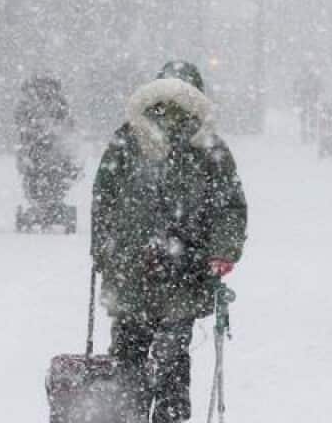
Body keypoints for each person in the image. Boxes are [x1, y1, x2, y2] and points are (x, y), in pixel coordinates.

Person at [91, 60, 248, 423]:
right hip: (185, 269)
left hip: (131, 267)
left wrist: (103, 251)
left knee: (129, 351)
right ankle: (169, 415)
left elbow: (104, 198)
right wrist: (222, 250)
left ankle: (129, 413)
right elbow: (229, 204)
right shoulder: (207, 143)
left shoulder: (127, 137)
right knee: (173, 352)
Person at [15, 76, 80, 211]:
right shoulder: (26, 104)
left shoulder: (59, 103)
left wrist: (57, 131)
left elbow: (68, 122)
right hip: (36, 145)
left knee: (61, 168)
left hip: (53, 145)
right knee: (33, 169)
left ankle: (49, 197)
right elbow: (20, 122)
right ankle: (42, 197)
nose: (44, 91)